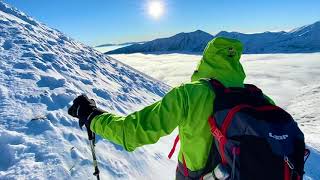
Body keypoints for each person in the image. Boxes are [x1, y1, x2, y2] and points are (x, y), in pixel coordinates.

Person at [68, 37, 275, 179]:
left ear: (205, 61)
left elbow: (131, 133)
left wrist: (92, 117)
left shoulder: (190, 95)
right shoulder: (262, 99)